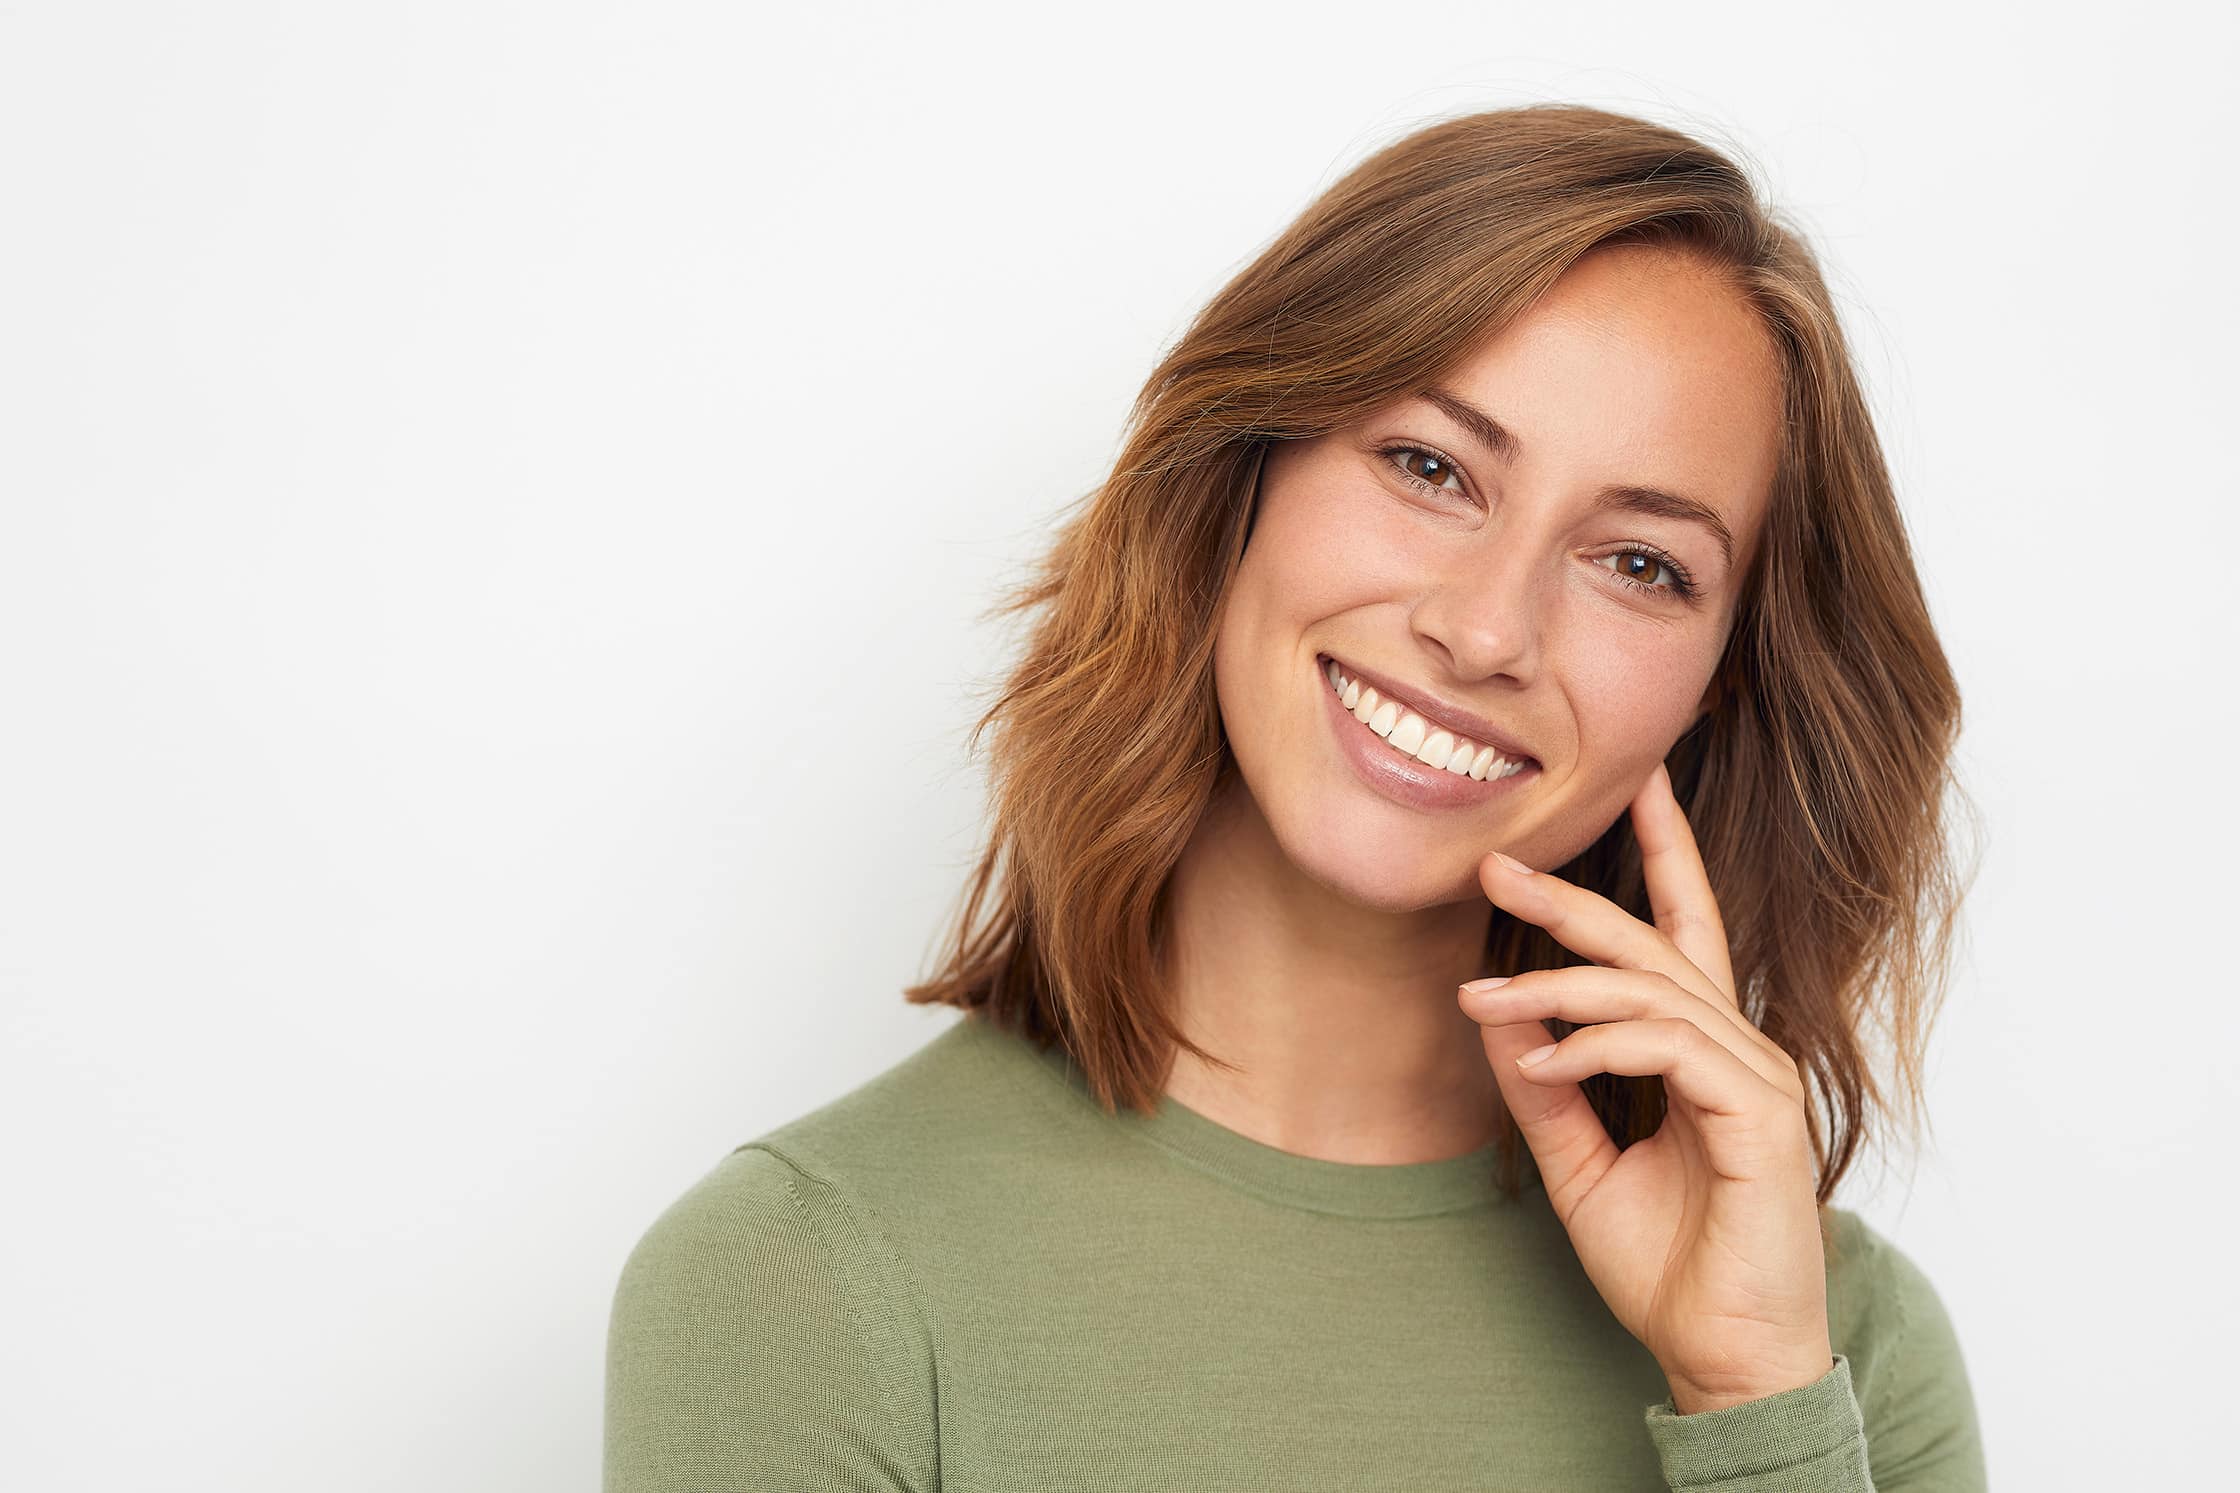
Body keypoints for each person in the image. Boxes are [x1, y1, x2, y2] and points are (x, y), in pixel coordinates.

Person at [603, 102, 1986, 1491]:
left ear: (1719, 687)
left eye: (1638, 564)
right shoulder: (805, 1286)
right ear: (1241, 470)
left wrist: (1756, 1403)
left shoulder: (1836, 1351)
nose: (1486, 628)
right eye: (1430, 467)